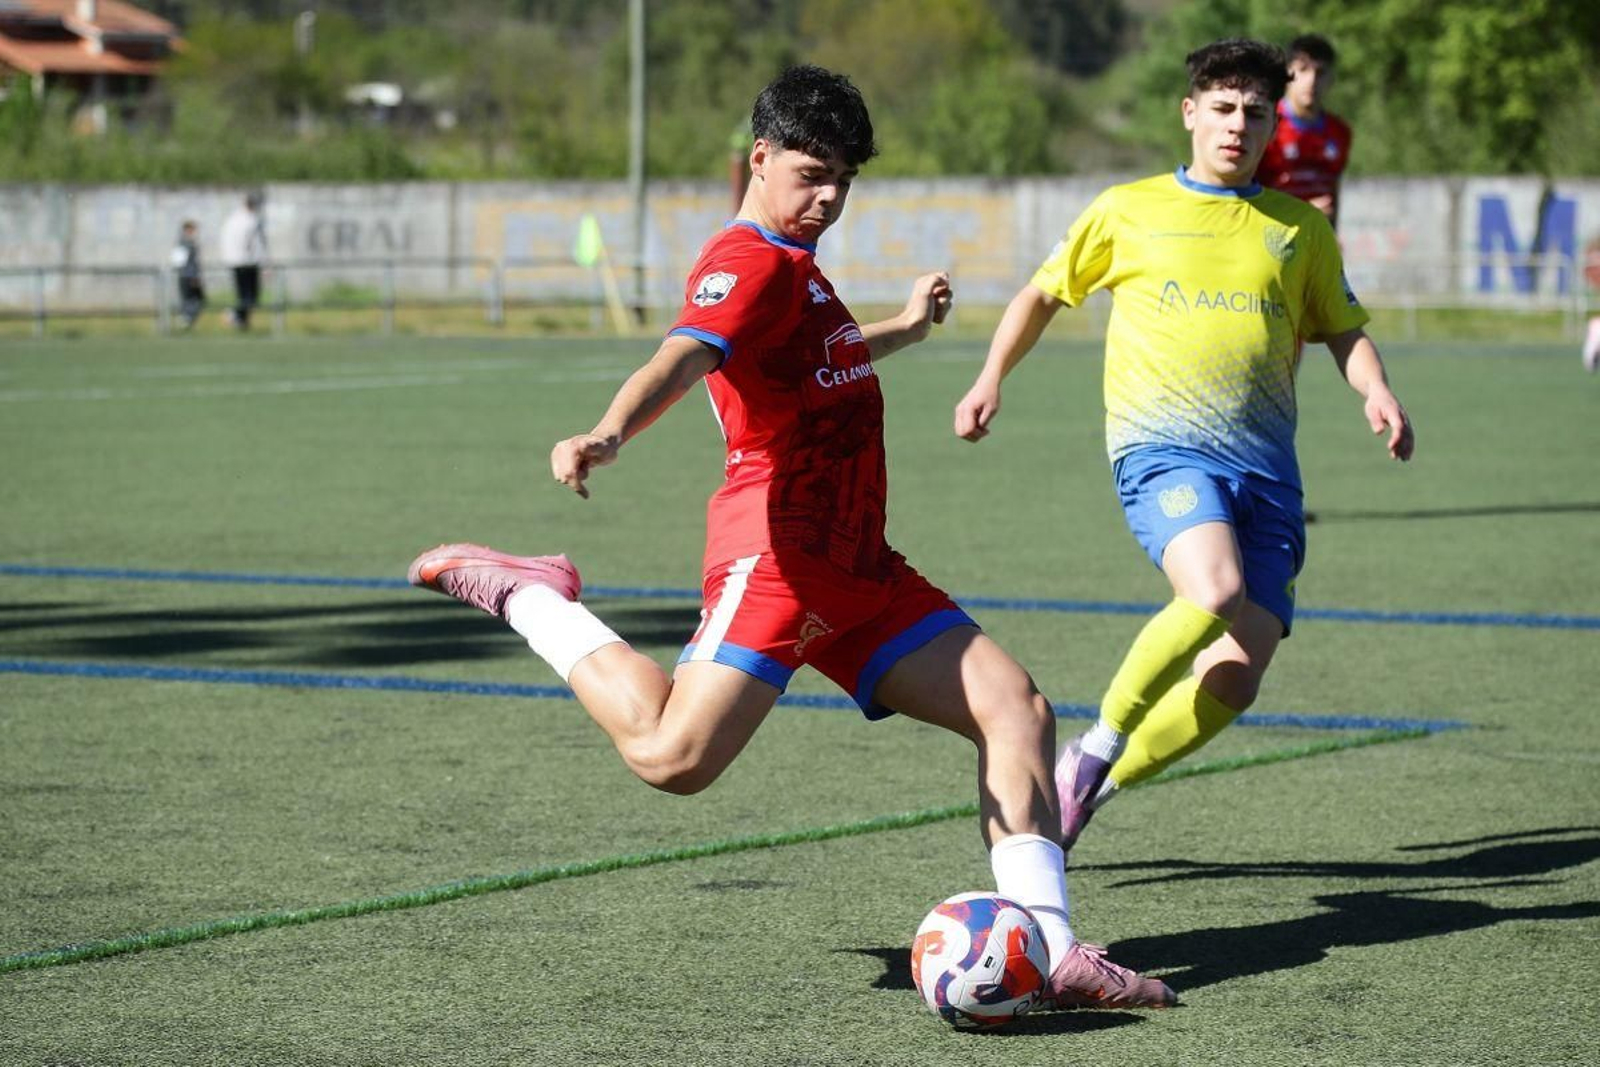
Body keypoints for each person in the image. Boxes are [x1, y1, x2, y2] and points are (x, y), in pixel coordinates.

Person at [409, 65, 1173, 1011]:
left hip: (859, 569)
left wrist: (895, 328)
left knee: (1016, 708)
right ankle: (529, 593)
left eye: (844, 180)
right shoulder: (749, 262)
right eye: (812, 174)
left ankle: (1053, 950)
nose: (829, 198)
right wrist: (608, 431)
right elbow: (684, 353)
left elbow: (822, 364)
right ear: (760, 157)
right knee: (671, 759)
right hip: (774, 561)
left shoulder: (798, 266)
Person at [954, 39, 1414, 855]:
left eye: (1257, 113)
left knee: (1235, 678)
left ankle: (1093, 788)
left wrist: (1376, 389)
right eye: (1225, 108)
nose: (1240, 126)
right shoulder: (1126, 208)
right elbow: (1041, 292)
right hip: (1163, 447)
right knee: (1214, 589)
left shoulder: (1300, 229)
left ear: (1275, 124)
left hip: (1269, 470)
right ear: (1191, 112)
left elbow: (1344, 329)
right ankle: (1095, 746)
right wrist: (992, 376)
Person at [1254, 34, 1351, 229]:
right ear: (1288, 74)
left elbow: (1333, 193)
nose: (1312, 80)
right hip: (1272, 237)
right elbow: (1248, 194)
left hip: (1317, 242)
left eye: (1320, 72)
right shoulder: (1263, 124)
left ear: (1331, 78)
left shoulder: (1340, 132)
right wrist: (1305, 210)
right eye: (1303, 70)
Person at [218, 192, 267, 330]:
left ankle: (241, 322)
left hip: (234, 261)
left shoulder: (232, 218)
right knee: (250, 296)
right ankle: (234, 315)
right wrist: (262, 262)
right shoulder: (251, 220)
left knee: (244, 295)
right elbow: (255, 244)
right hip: (247, 262)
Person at [170, 220, 205, 331]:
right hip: (187, 276)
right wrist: (192, 275)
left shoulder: (190, 242)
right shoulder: (183, 243)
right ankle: (186, 320)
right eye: (192, 229)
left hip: (191, 276)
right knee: (189, 299)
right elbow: (178, 262)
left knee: (197, 300)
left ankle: (188, 320)